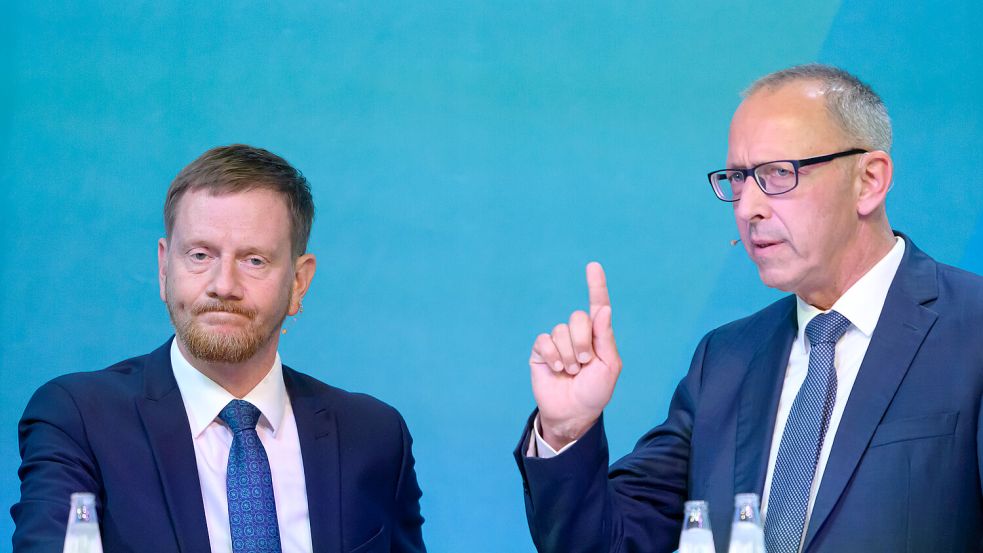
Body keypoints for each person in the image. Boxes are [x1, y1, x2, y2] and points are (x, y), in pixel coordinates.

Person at [514, 64, 983, 552]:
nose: (747, 207)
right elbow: (609, 544)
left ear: (869, 180)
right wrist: (568, 429)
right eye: (738, 178)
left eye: (778, 174)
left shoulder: (971, 330)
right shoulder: (726, 360)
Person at [12, 145, 426, 553]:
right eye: (200, 255)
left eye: (254, 261)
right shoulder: (79, 420)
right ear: (164, 268)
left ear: (299, 283)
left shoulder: (374, 436)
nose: (223, 285)